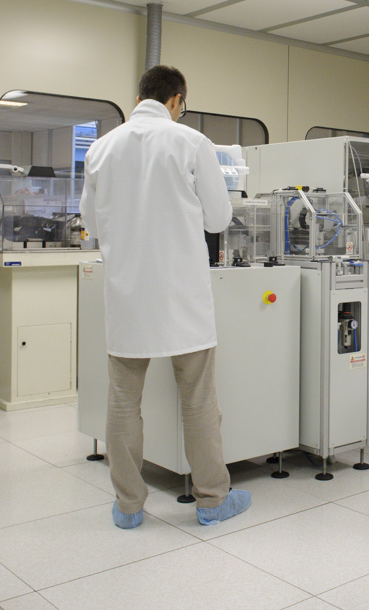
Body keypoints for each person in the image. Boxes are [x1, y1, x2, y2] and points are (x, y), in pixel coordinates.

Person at [80, 65, 251, 529]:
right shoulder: (192, 143)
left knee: (123, 403)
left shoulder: (100, 148)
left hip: (127, 297)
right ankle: (212, 499)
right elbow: (218, 219)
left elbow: (91, 224)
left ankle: (128, 506)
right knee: (198, 402)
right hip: (182, 296)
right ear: (177, 100)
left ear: (141, 98)